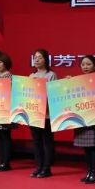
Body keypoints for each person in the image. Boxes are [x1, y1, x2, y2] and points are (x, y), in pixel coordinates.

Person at [74, 55, 95, 184]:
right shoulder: (78, 81)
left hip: (93, 118)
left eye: (88, 64)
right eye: (83, 64)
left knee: (93, 146)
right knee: (85, 147)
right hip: (81, 118)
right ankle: (89, 171)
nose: (85, 67)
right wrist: (69, 83)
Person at [29, 49, 56, 178]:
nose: (37, 59)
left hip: (46, 114)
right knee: (36, 142)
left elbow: (54, 93)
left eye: (40, 57)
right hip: (34, 113)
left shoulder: (51, 75)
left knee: (47, 142)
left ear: (46, 60)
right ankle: (39, 167)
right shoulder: (31, 76)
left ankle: (46, 168)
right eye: (35, 57)